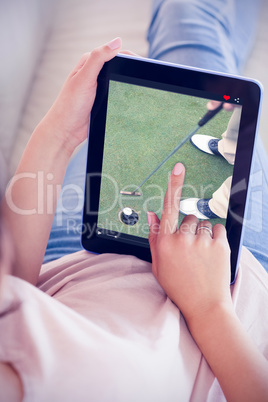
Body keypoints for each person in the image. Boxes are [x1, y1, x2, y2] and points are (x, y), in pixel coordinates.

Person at [0, 1, 268, 402]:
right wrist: (208, 308)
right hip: (228, 276)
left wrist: (60, 132)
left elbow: (11, 290)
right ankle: (228, 142)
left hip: (77, 259)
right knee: (189, 12)